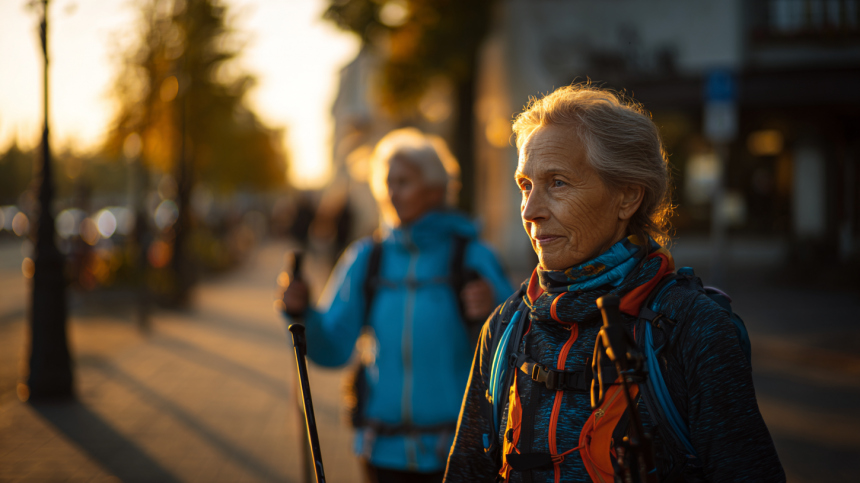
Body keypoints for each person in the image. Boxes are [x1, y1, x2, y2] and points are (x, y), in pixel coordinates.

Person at [444, 85, 785, 482]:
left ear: (627, 197)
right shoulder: (506, 326)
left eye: (557, 182)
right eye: (525, 185)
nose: (531, 211)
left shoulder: (691, 328)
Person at [282, 128, 513, 483]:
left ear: (435, 189)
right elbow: (333, 348)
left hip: (459, 452)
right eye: (386, 182)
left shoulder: (473, 256)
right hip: (381, 452)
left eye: (403, 182)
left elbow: (517, 346)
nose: (391, 192)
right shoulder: (366, 257)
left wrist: (493, 306)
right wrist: (303, 315)